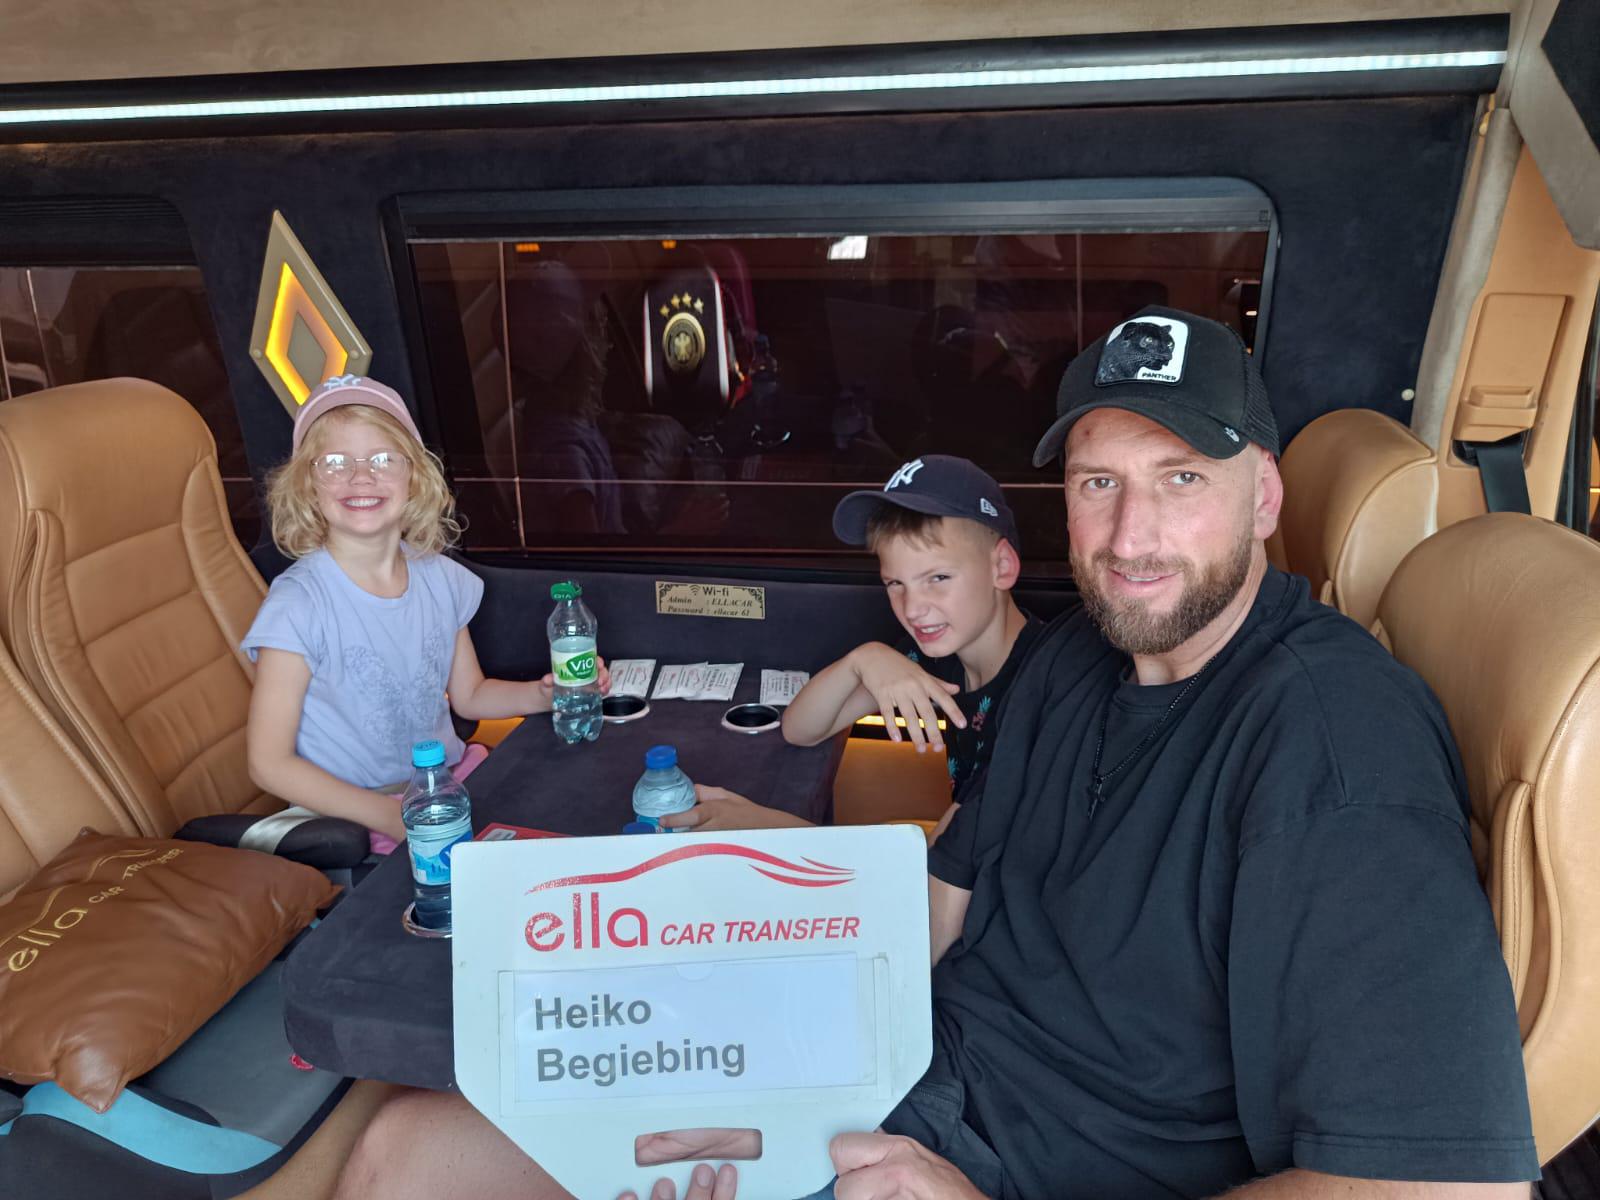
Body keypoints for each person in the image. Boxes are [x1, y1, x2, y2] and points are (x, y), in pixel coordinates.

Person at [331, 308, 1538, 1200]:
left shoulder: (1334, 744)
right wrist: (718, 1012)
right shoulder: (1072, 663)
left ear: (1264, 497)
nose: (1131, 534)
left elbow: (1441, 1187)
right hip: (899, 1069)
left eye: (1181, 479)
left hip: (1013, 1166)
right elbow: (936, 913)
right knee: (402, 1149)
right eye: (1098, 482)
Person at [243, 374, 602, 851]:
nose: (361, 477)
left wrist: (545, 695)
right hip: (354, 817)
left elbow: (470, 696)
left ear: (414, 478)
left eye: (383, 460)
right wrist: (390, 816)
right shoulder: (298, 605)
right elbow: (268, 763)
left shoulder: (438, 577)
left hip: (445, 786)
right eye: (334, 463)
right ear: (308, 485)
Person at [661, 455, 1042, 835]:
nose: (912, 609)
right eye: (895, 583)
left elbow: (946, 865)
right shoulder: (944, 653)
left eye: (938, 578)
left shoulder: (1034, 697)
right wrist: (864, 659)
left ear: (1002, 567)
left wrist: (769, 827)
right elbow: (801, 729)